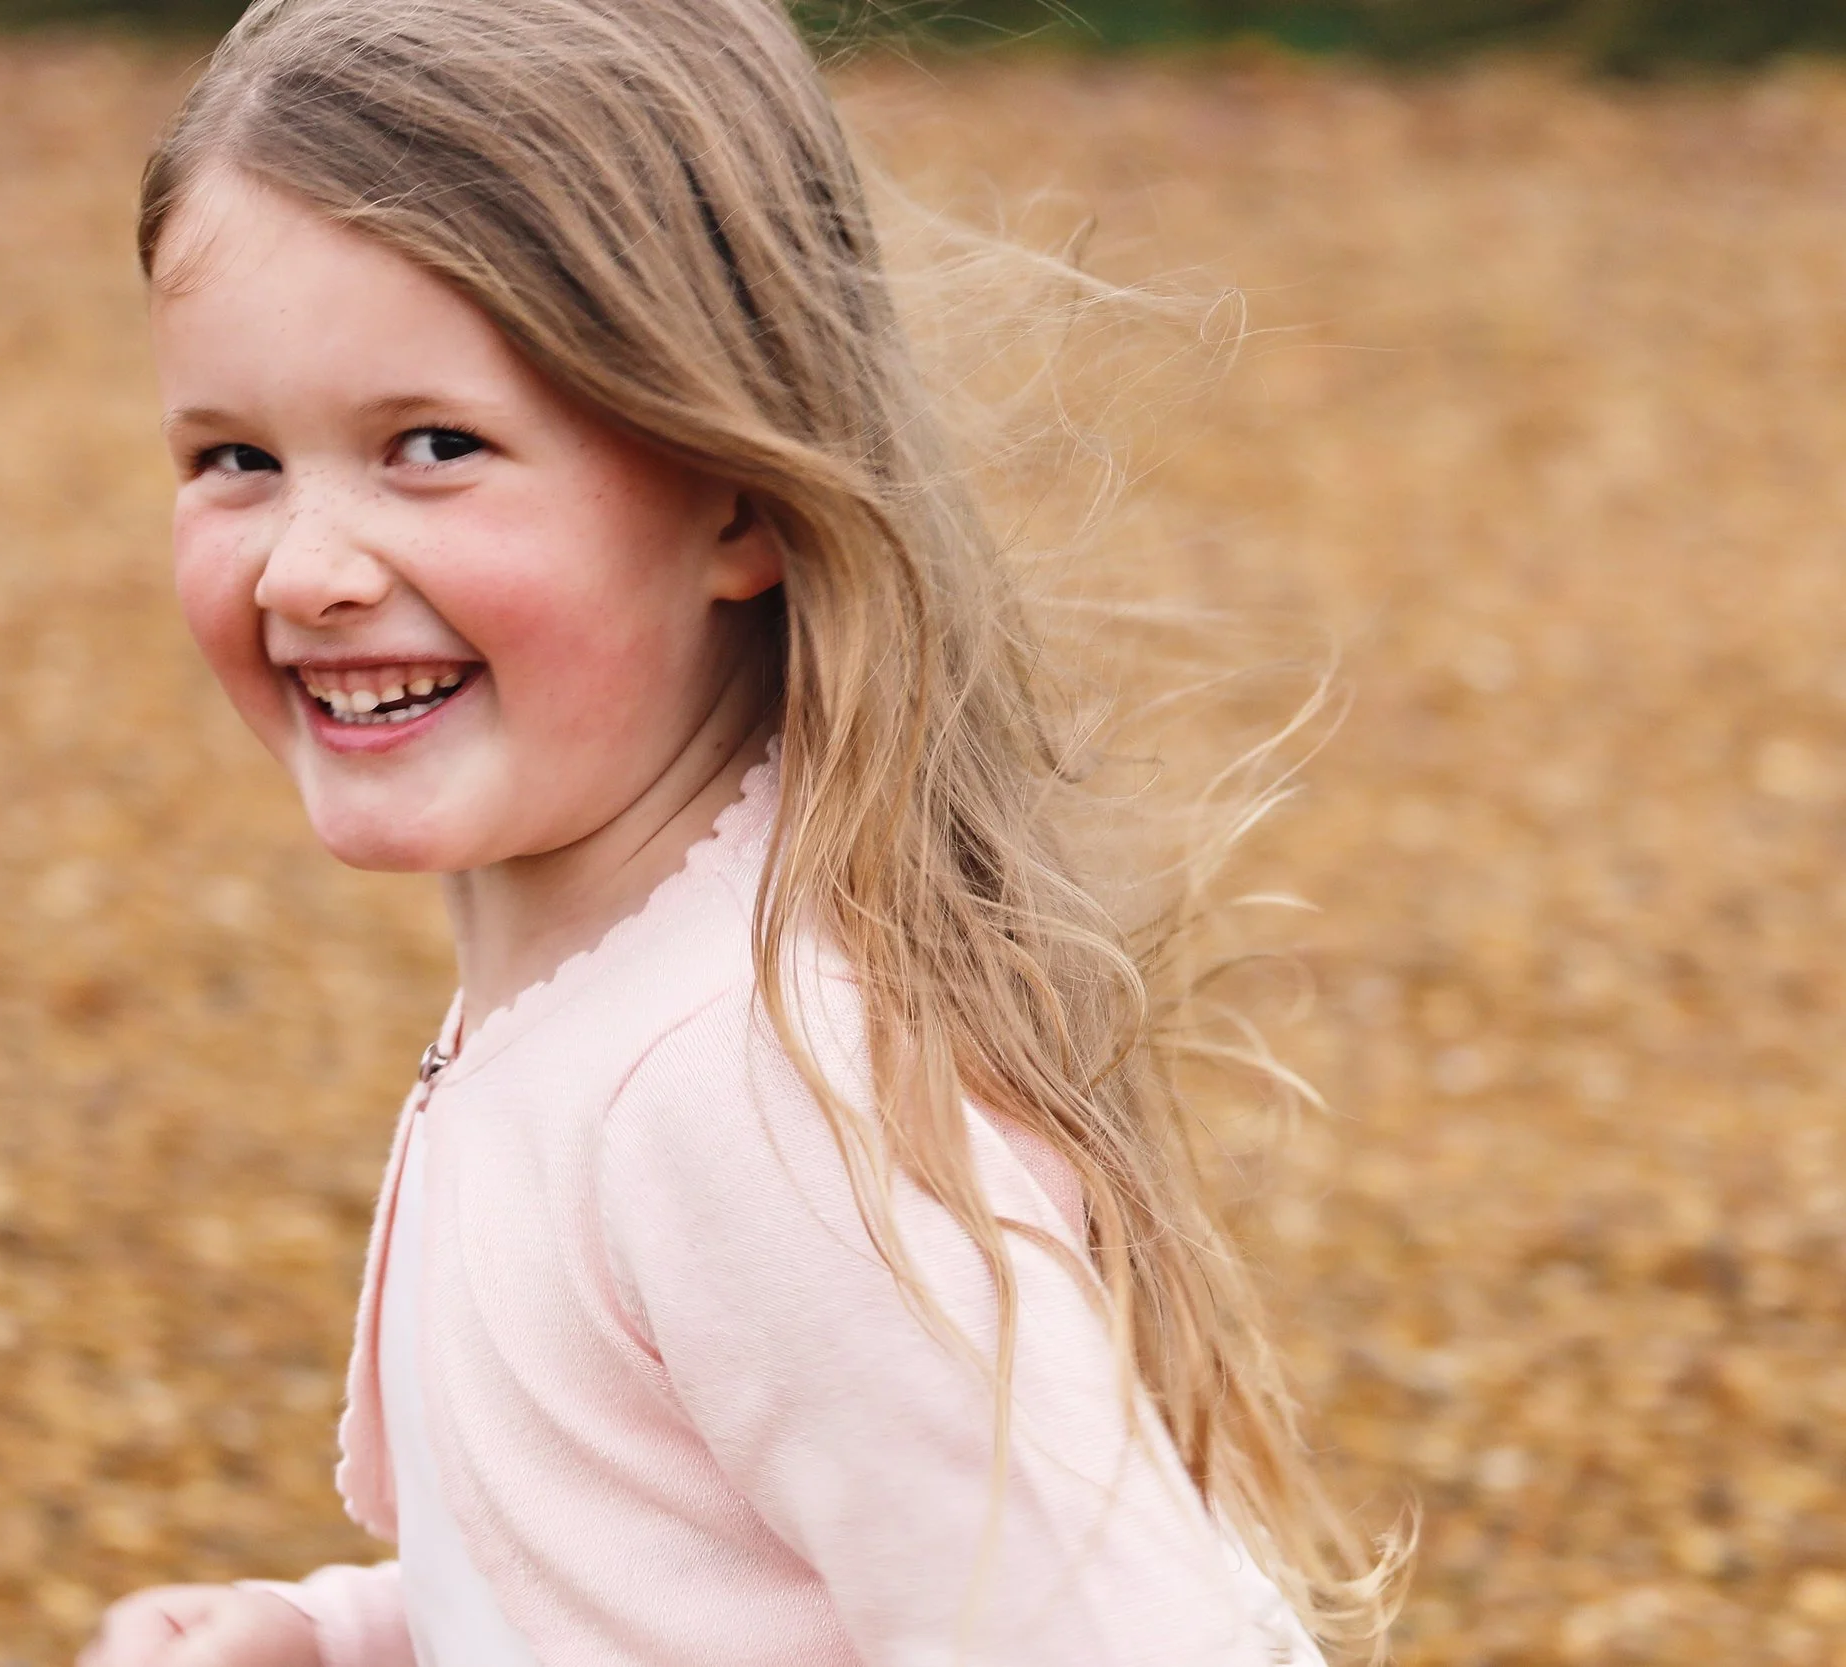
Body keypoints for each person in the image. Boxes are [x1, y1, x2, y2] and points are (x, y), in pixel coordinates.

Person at [85, 0, 1401, 1662]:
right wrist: (345, 1637)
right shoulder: (628, 998)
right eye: (235, 459)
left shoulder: (741, 1095)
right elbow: (664, 1576)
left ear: (736, 493)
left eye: (433, 447)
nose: (305, 565)